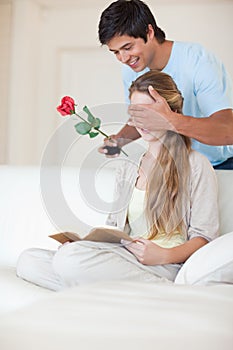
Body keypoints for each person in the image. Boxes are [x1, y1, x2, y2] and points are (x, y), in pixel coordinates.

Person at [16, 70, 219, 291]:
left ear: (171, 111)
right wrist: (86, 245)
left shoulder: (196, 165)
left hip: (163, 265)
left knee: (70, 260)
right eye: (135, 112)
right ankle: (107, 287)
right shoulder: (128, 167)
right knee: (29, 260)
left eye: (148, 111)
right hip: (123, 257)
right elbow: (116, 230)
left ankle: (163, 290)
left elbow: (204, 237)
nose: (140, 120)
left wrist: (164, 255)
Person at [98, 0, 233, 169]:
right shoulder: (131, 70)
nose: (123, 59)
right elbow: (144, 118)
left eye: (128, 47)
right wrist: (117, 141)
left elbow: (228, 131)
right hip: (175, 167)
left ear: (149, 32)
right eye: (116, 52)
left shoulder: (197, 61)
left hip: (220, 166)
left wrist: (170, 120)